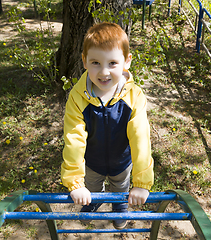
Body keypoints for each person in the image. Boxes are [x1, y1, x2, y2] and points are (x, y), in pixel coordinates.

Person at [61, 22, 154, 230]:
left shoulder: (133, 96)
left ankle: (119, 210)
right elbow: (73, 138)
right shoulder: (78, 97)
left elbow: (140, 138)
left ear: (126, 62)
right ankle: (93, 203)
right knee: (91, 189)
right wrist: (76, 182)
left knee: (121, 189)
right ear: (84, 61)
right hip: (91, 162)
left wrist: (141, 183)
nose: (104, 72)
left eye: (112, 63)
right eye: (95, 62)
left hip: (122, 162)